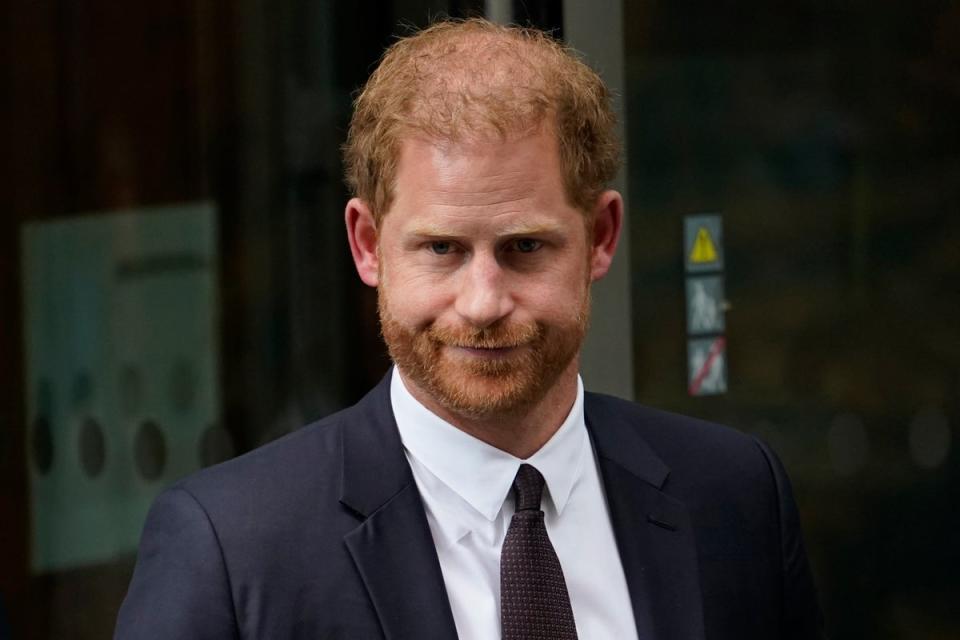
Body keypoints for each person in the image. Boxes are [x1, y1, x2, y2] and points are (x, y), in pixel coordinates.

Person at [115, 18, 824, 640]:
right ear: (367, 246)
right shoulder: (230, 547)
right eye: (441, 249)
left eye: (524, 248)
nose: (483, 303)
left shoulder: (733, 497)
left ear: (601, 237)